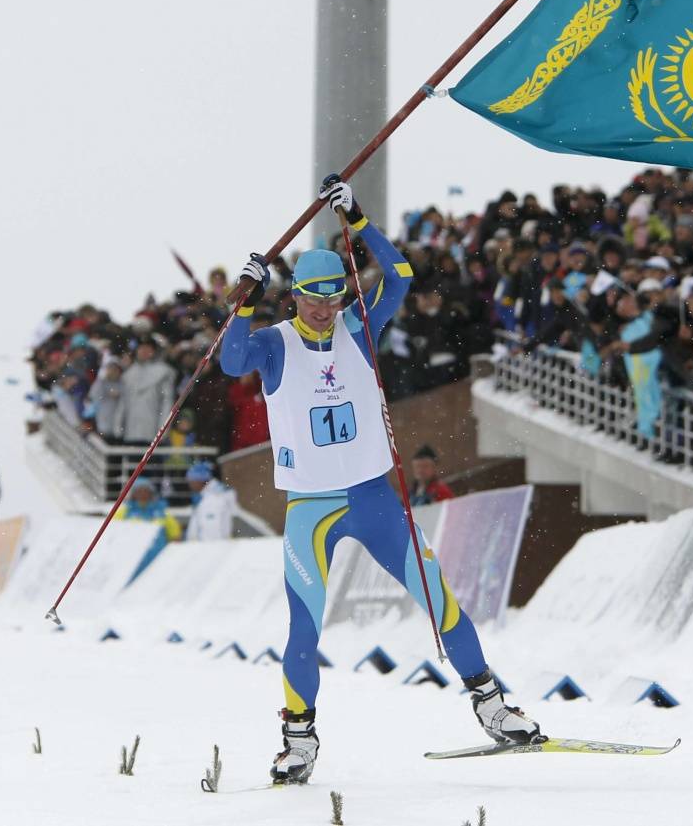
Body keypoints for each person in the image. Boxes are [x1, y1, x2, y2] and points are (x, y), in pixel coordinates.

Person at [220, 179, 542, 785]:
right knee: (303, 627)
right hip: (311, 507)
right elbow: (230, 360)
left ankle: (494, 706)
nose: (324, 308)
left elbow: (400, 278)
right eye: (313, 298)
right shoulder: (272, 343)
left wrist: (360, 220)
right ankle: (299, 740)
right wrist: (242, 299)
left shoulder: (361, 329)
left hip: (374, 497)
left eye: (333, 297)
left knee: (439, 598)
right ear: (295, 297)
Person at [119, 339, 176, 444]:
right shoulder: (129, 374)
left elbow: (167, 403)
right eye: (141, 348)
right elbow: (123, 403)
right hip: (131, 432)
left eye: (148, 349)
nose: (144, 352)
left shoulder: (163, 372)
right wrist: (118, 426)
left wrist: (163, 429)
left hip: (153, 432)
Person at [184, 461, 238, 541]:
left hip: (207, 551)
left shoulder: (212, 501)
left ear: (200, 480)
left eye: (191, 480)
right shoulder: (207, 498)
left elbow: (211, 535)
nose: (189, 484)